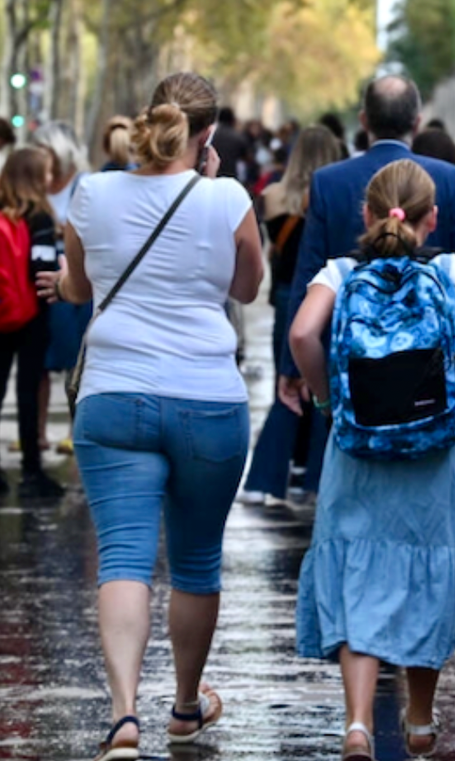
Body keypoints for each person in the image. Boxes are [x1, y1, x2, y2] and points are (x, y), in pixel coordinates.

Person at [34, 71, 263, 760]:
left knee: (125, 558)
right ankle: (186, 706)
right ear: (208, 134)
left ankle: (123, 716)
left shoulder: (93, 193)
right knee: (195, 562)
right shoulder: (226, 197)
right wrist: (211, 192)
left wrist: (72, 281)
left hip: (114, 395)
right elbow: (247, 289)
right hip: (207, 399)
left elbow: (79, 285)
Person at [291, 159, 455, 760]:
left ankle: (357, 723)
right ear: (433, 218)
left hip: (357, 444)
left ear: (367, 213)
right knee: (427, 573)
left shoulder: (340, 271)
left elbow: (303, 335)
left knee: (358, 573)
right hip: (435, 446)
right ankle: (418, 718)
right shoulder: (451, 268)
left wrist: (329, 399)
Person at [277, 76, 455, 457]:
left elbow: (307, 273)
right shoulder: (452, 179)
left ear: (363, 120)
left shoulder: (328, 181)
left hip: (353, 369)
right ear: (417, 122)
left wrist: (293, 368)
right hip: (433, 376)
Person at [239, 126, 344, 505]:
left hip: (285, 295)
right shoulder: (335, 195)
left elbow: (269, 252)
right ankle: (316, 475)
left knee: (287, 380)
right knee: (323, 380)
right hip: (328, 295)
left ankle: (268, 474)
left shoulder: (271, 197)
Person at [0, 148, 65, 498]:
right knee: (28, 392)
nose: (50, 179)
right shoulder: (39, 216)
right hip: (29, 317)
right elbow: (40, 271)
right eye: (47, 172)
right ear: (34, 177)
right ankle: (31, 473)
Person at [32, 120, 92, 456]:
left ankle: (75, 431)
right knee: (39, 360)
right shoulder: (36, 186)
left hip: (74, 277)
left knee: (76, 359)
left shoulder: (85, 184)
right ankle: (37, 433)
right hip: (39, 276)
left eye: (45, 150)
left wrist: (62, 229)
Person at [211, 106, 249, 182]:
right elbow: (245, 157)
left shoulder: (211, 134)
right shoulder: (238, 137)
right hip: (230, 173)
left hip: (212, 172)